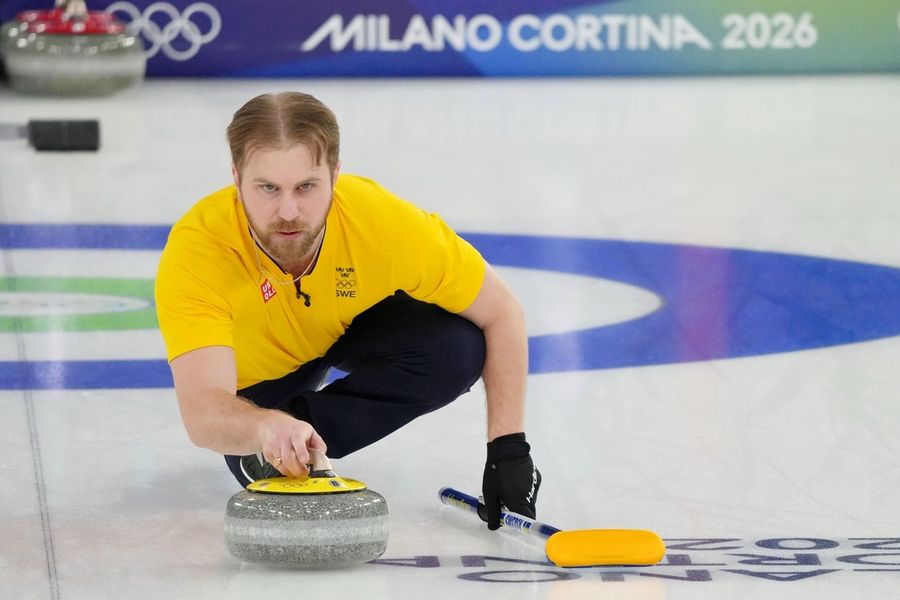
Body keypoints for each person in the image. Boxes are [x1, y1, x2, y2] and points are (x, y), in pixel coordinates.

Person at [154, 91, 540, 529]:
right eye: (267, 188)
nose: (287, 210)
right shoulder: (197, 252)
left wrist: (508, 449)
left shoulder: (381, 220)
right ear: (236, 177)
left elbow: (501, 311)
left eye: (306, 187)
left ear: (335, 176)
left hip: (347, 324)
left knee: (458, 347)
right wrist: (263, 429)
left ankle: (303, 427)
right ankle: (283, 435)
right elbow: (203, 410)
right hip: (264, 380)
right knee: (257, 435)